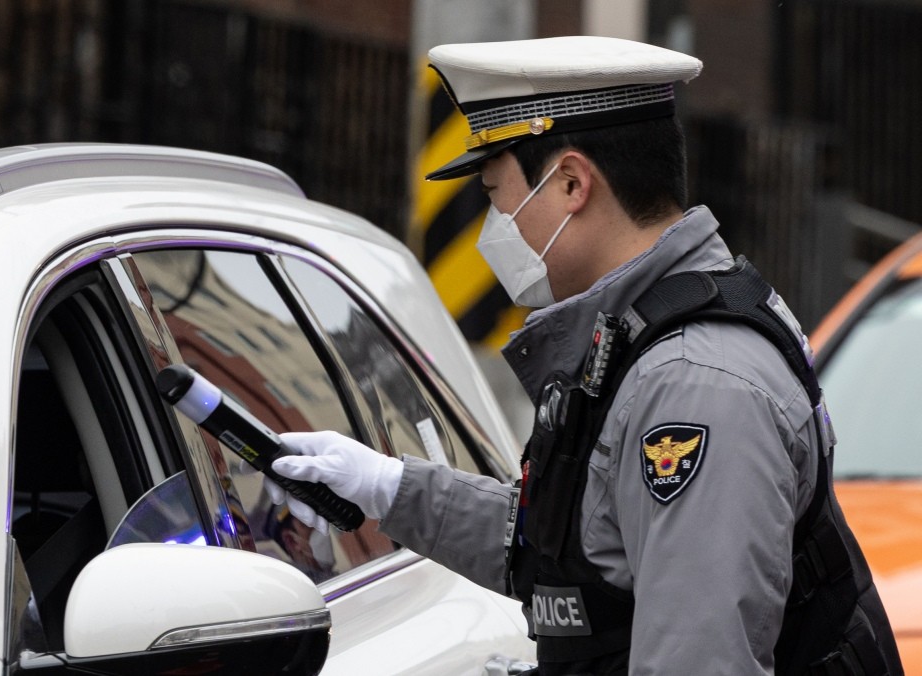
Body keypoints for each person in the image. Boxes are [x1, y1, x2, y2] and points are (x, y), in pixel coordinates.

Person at [268, 37, 903, 675]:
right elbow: (575, 558)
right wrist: (385, 487)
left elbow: (696, 661)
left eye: (496, 196)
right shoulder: (633, 339)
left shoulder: (695, 387)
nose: (498, 226)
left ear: (571, 182)